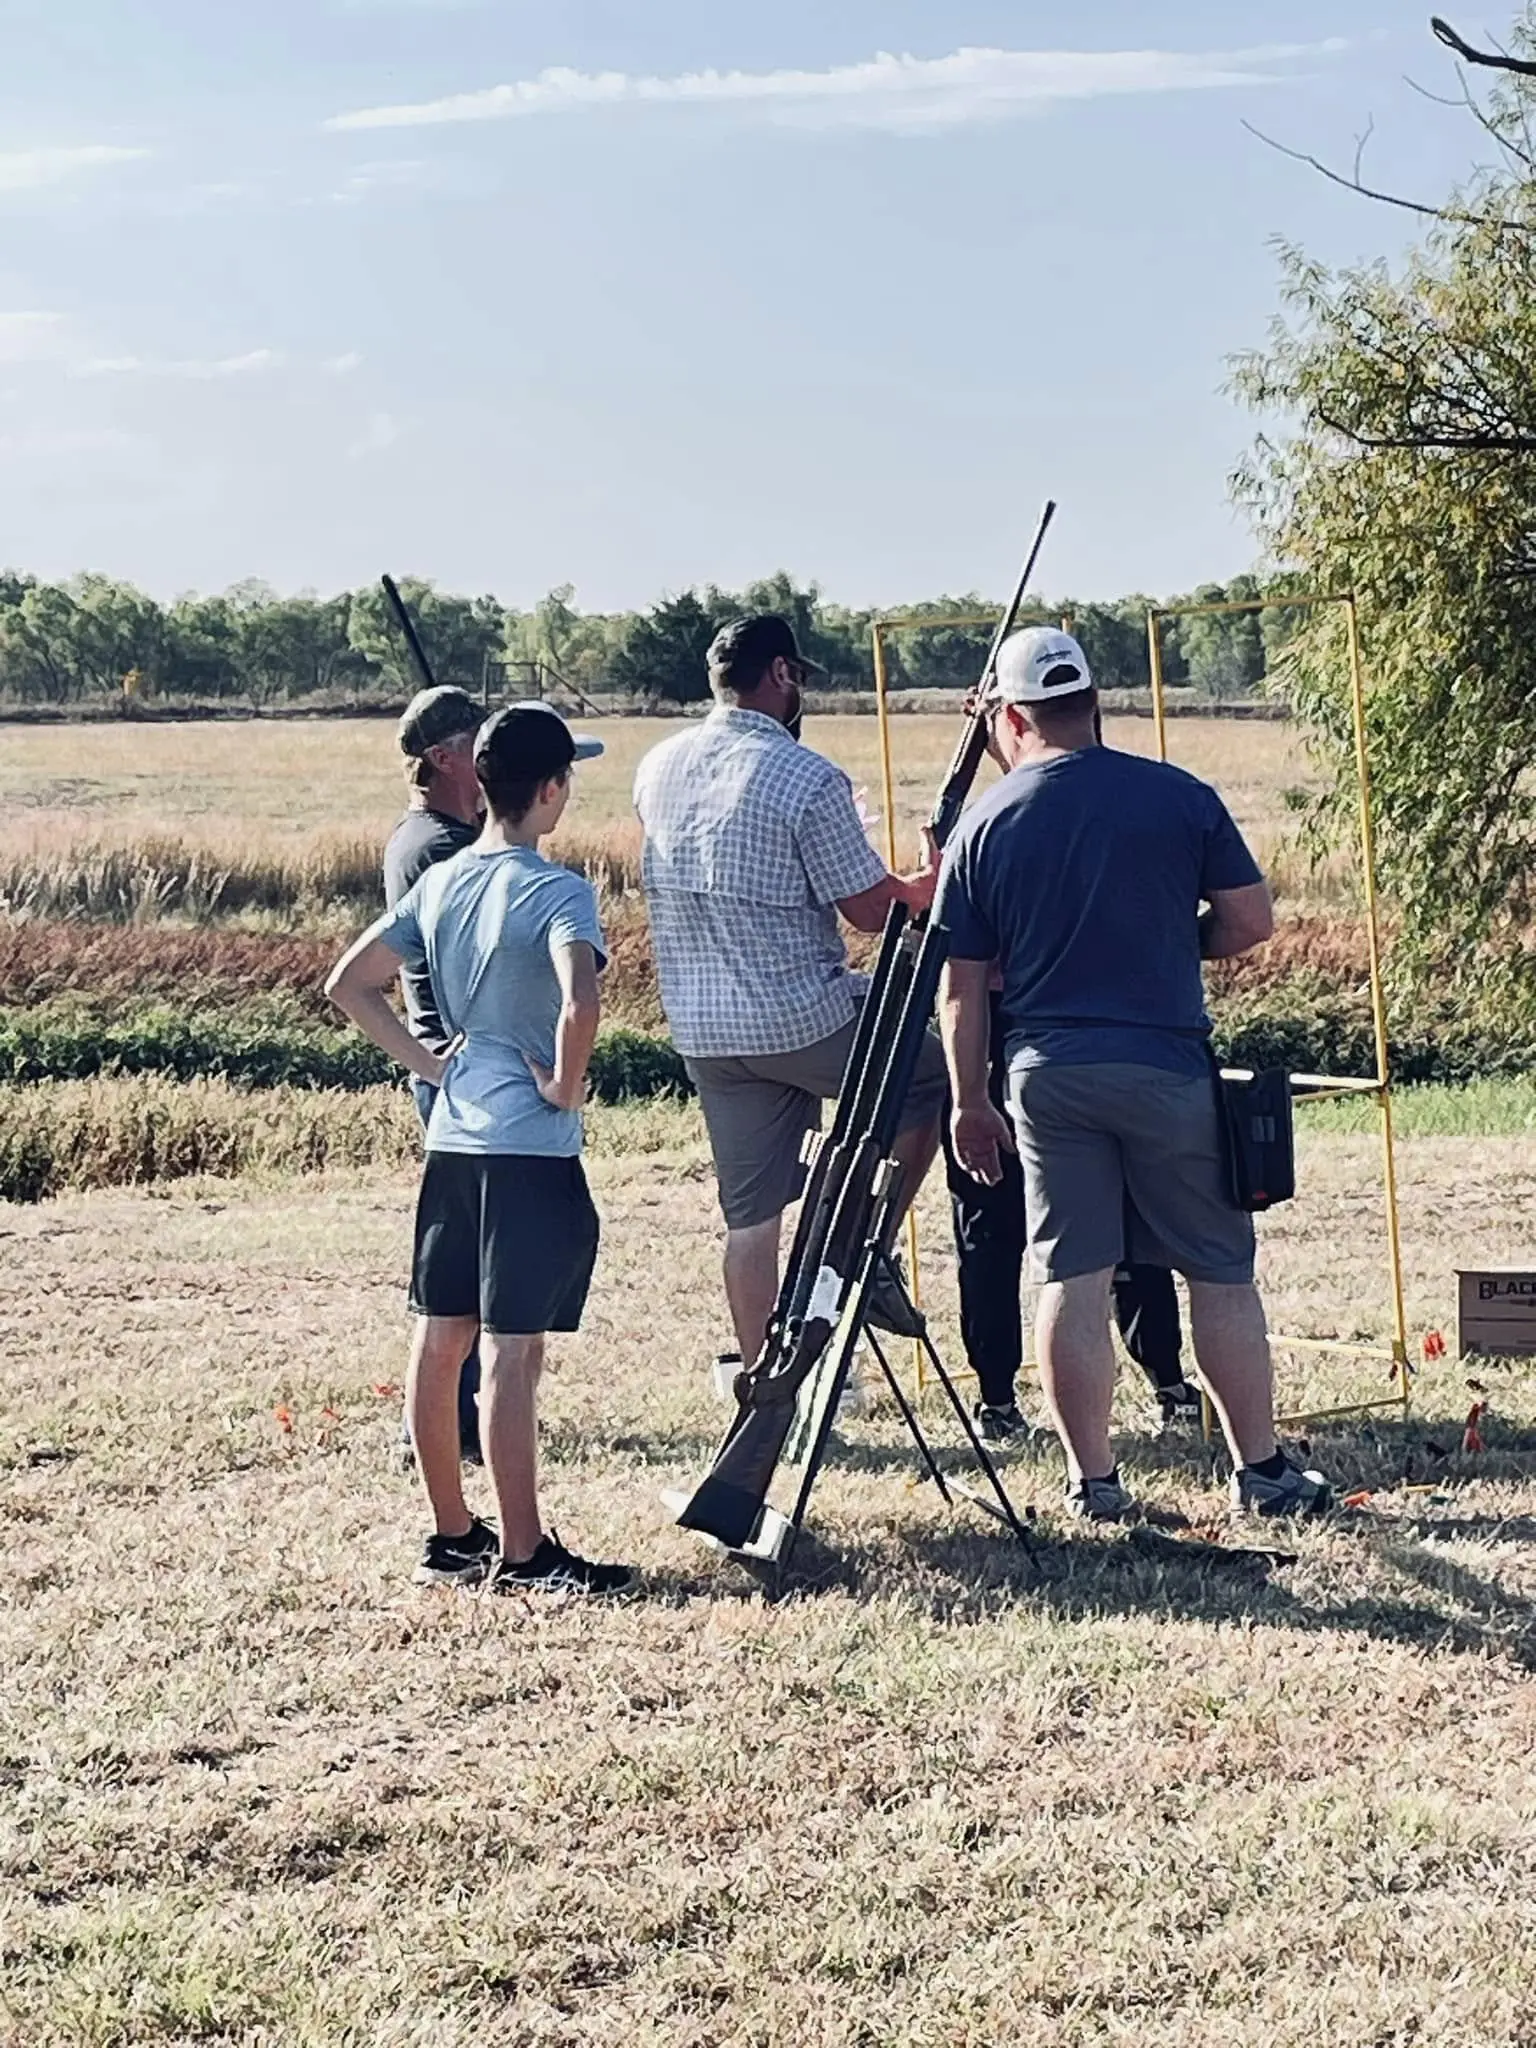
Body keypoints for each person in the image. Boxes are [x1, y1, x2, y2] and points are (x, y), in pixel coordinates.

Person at [936, 625, 1329, 1522]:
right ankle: (1263, 1473)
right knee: (1219, 1271)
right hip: (1165, 1066)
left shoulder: (985, 824)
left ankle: (1095, 1482)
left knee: (1071, 1273)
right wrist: (1175, 943)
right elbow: (1251, 918)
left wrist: (969, 1100)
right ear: (1093, 703)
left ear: (1011, 714)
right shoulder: (1177, 796)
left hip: (1044, 1074)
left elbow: (961, 990)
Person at [328, 702, 636, 1596]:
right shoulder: (562, 890)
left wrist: (427, 1060)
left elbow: (349, 984)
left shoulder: (442, 881)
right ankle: (529, 1551)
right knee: (513, 1351)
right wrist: (567, 1087)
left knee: (442, 1338)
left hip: (453, 1137)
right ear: (551, 792)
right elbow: (581, 1000)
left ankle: (452, 1534)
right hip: (529, 1152)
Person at [634, 613, 945, 1369]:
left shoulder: (657, 765)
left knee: (749, 1222)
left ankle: (764, 1384)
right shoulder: (808, 778)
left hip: (706, 1032)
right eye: (797, 676)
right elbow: (874, 913)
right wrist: (933, 875)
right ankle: (863, 1248)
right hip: (800, 1017)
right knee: (934, 1076)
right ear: (779, 675)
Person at [942, 992, 1203, 1442]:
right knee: (1116, 1230)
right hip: (1081, 1042)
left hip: (997, 1050)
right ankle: (1170, 1388)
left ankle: (998, 1403)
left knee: (990, 1236)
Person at [384, 684, 487, 1466]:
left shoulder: (436, 835)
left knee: (475, 1254)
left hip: (450, 1066)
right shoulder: (441, 850)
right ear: (445, 758)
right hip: (457, 1066)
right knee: (467, 1261)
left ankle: (458, 1415)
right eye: (479, 742)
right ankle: (446, 1423)